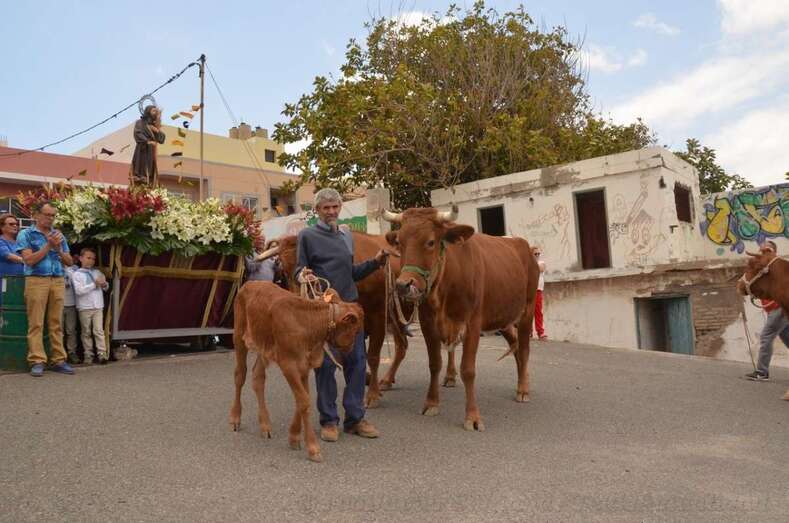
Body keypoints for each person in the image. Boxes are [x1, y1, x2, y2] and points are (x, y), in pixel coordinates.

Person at [294, 188, 388, 442]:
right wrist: (304, 275)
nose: (331, 212)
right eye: (326, 208)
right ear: (317, 211)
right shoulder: (307, 236)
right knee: (325, 365)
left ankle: (355, 419)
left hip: (350, 310)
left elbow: (351, 273)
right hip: (323, 311)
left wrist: (376, 262)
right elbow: (298, 270)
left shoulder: (346, 235)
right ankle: (329, 421)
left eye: (335, 207)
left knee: (357, 363)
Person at [16, 202, 74, 377]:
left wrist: (58, 248)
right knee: (36, 323)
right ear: (36, 215)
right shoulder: (25, 234)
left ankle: (59, 360)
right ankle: (37, 361)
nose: (50, 218)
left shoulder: (58, 235)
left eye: (53, 215)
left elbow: (69, 262)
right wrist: (48, 246)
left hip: (57, 279)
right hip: (36, 280)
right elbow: (29, 260)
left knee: (56, 323)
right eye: (47, 215)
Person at [744, 241, 789, 382]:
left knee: (766, 336)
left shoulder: (775, 268)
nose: (761, 252)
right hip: (772, 309)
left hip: (778, 308)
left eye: (766, 250)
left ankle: (762, 372)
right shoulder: (763, 268)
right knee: (786, 338)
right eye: (761, 250)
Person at [71, 248, 109, 365]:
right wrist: (94, 284)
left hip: (98, 306)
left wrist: (104, 284)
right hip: (84, 307)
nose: (91, 261)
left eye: (93, 259)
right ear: (81, 258)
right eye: (88, 258)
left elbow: (106, 287)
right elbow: (79, 291)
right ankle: (88, 354)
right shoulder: (77, 274)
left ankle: (102, 353)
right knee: (86, 332)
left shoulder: (97, 272)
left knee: (98, 331)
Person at [130, 105, 165, 186]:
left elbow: (162, 139)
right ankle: (140, 177)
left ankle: (149, 178)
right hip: (142, 150)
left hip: (151, 151)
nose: (155, 113)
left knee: (150, 170)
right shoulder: (140, 122)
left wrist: (157, 131)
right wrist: (147, 141)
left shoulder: (154, 126)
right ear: (148, 111)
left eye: (156, 111)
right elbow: (137, 133)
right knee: (141, 167)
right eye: (153, 111)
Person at [63, 257, 80, 364]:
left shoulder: (75, 269)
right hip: (58, 304)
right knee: (58, 331)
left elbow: (77, 280)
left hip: (71, 304)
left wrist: (70, 267)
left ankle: (72, 352)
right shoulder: (54, 267)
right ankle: (59, 354)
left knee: (71, 330)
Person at [0, 213, 24, 278]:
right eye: (11, 224)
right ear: (2, 227)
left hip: (20, 280)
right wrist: (28, 261)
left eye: (17, 224)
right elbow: (9, 256)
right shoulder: (1, 241)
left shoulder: (20, 241)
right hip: (4, 282)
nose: (15, 226)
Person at [532, 246, 547, 340]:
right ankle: (528, 333)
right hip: (529, 290)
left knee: (538, 312)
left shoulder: (541, 263)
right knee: (527, 312)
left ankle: (540, 332)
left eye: (538, 254)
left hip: (538, 290)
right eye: (535, 254)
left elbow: (540, 269)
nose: (537, 255)